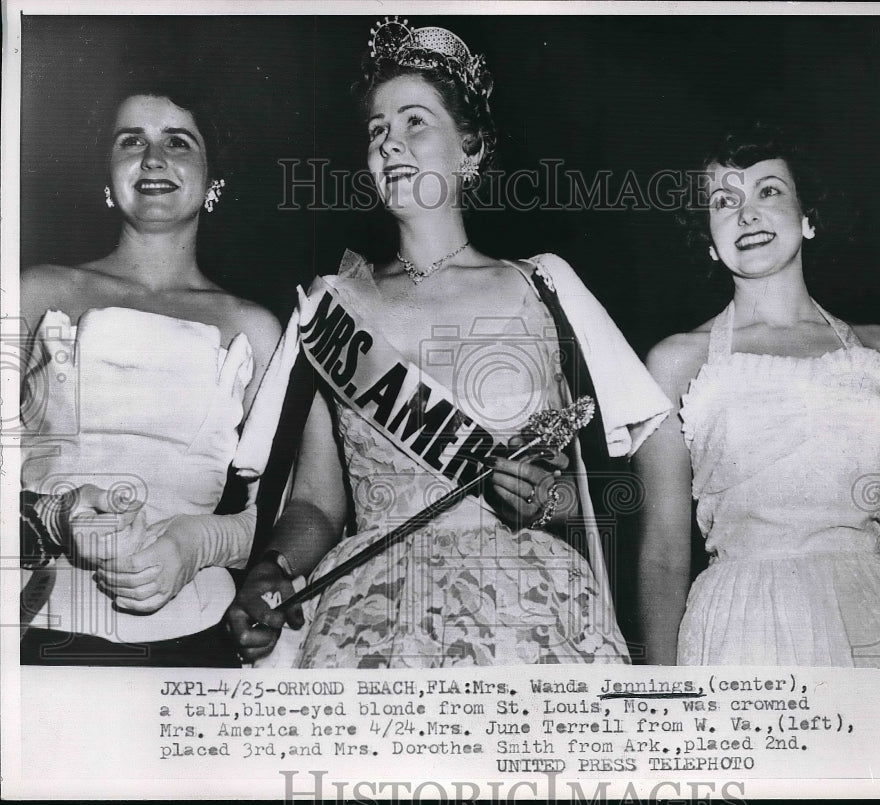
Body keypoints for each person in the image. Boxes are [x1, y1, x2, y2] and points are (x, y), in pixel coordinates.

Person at [226, 19, 671, 668]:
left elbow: (622, 488)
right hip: (374, 619)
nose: (390, 145)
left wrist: (551, 500)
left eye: (415, 123)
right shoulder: (335, 304)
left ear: (472, 151)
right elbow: (318, 502)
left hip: (527, 609)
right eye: (377, 129)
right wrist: (270, 568)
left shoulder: (544, 288)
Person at [636, 123, 880, 667]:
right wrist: (664, 702)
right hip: (741, 628)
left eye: (769, 191)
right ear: (708, 240)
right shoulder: (675, 362)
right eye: (723, 201)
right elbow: (663, 554)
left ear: (808, 219)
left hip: (879, 623)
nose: (747, 214)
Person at [20, 84, 282, 666]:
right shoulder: (34, 291)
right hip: (32, 621)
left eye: (179, 142)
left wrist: (197, 544)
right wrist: (54, 515)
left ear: (215, 178)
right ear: (107, 173)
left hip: (194, 632)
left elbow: (288, 513)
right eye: (131, 140)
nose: (154, 158)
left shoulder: (256, 328)